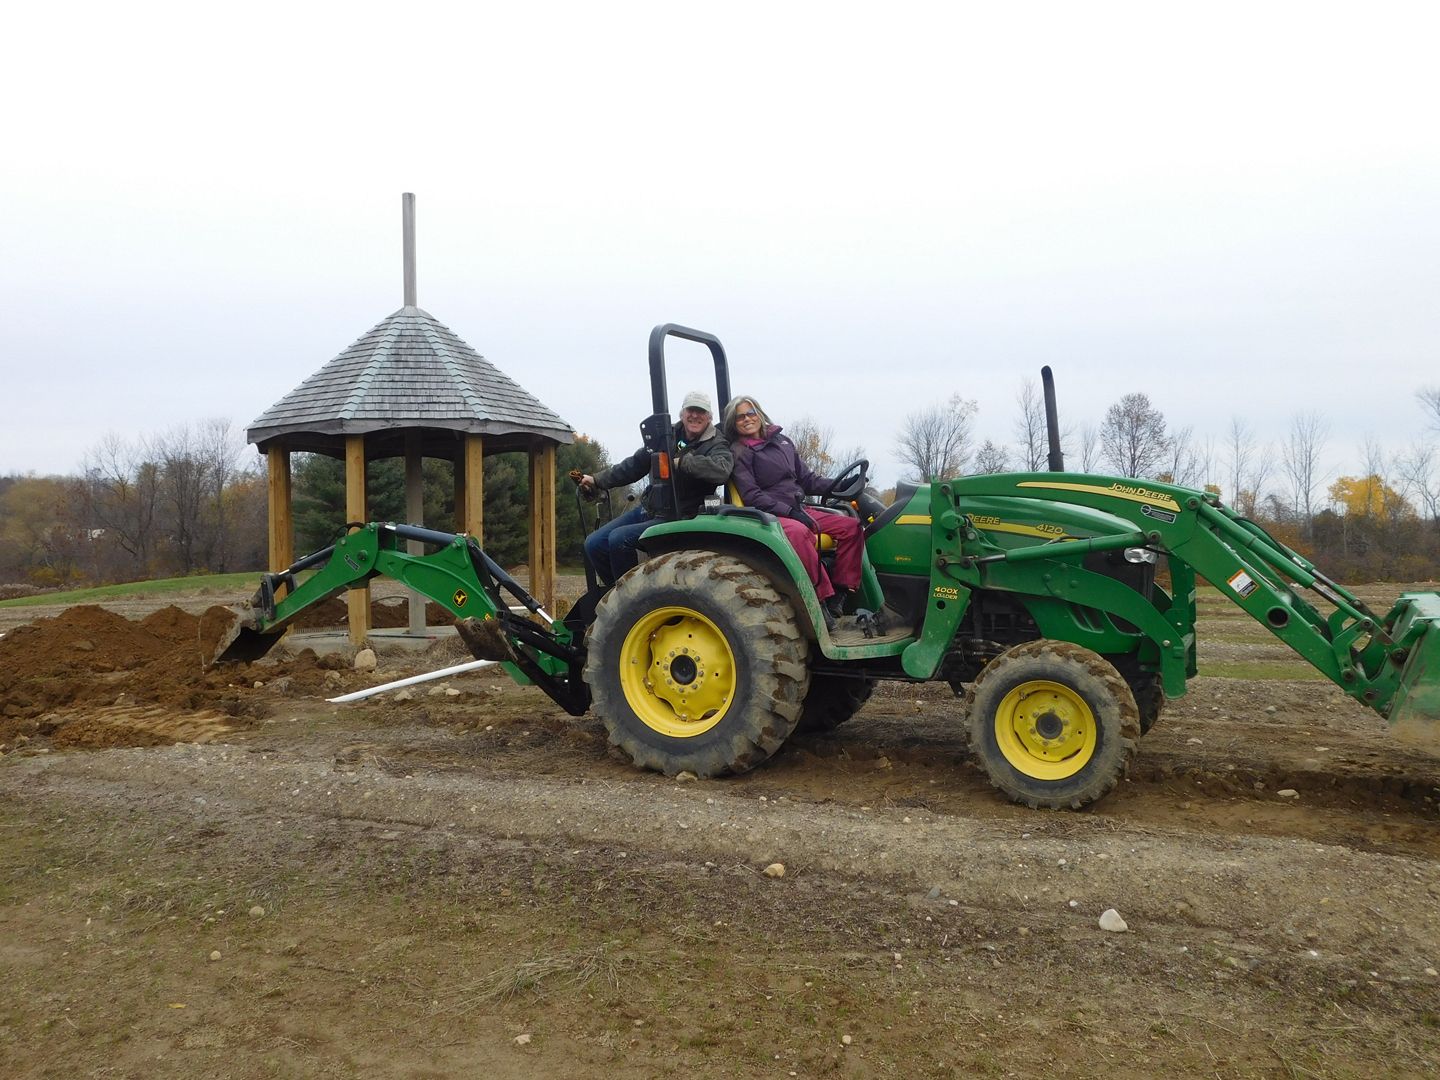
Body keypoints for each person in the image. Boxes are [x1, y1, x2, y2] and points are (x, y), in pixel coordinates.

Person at [723, 395, 864, 631]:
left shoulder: (783, 442)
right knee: (799, 533)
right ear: (733, 423)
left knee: (850, 527)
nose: (747, 419)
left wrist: (840, 486)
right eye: (740, 417)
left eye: (750, 413)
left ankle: (841, 592)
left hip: (799, 508)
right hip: (771, 513)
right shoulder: (739, 453)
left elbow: (807, 479)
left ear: (759, 413)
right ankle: (820, 602)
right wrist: (788, 511)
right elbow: (752, 495)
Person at [579, 391, 733, 587]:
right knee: (594, 544)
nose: (695, 415)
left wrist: (683, 462)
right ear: (682, 413)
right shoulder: (666, 436)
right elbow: (635, 465)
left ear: (709, 417)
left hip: (682, 515)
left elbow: (721, 470)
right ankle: (616, 594)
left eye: (701, 411)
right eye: (691, 410)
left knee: (620, 539)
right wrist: (597, 480)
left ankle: (631, 598)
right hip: (650, 509)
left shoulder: (717, 442)